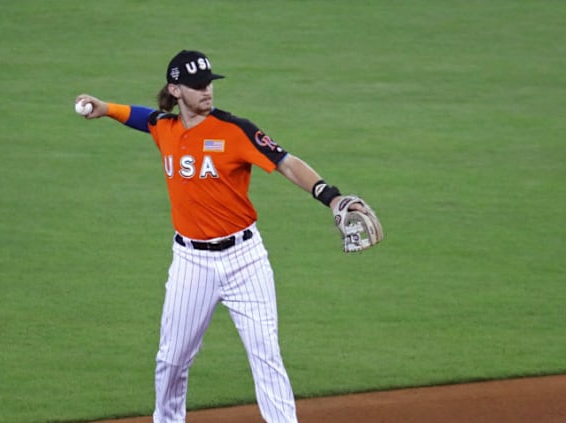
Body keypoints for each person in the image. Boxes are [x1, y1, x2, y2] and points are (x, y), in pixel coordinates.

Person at [76, 50, 364, 423]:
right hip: (191, 263)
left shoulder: (235, 129)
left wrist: (331, 195)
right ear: (175, 90)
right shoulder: (164, 127)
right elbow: (145, 118)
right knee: (171, 359)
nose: (207, 91)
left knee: (266, 355)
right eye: (197, 86)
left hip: (246, 260)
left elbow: (285, 162)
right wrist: (107, 108)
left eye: (209, 83)